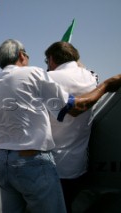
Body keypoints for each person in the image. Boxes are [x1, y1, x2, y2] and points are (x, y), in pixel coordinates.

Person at [0, 39, 121, 213]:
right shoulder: (33, 74)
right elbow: (76, 108)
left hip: (3, 162)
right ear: (22, 55)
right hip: (32, 162)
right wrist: (105, 85)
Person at [45, 41, 98, 212]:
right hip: (78, 164)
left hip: (51, 164)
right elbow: (85, 70)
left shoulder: (47, 79)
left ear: (51, 59)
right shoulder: (91, 77)